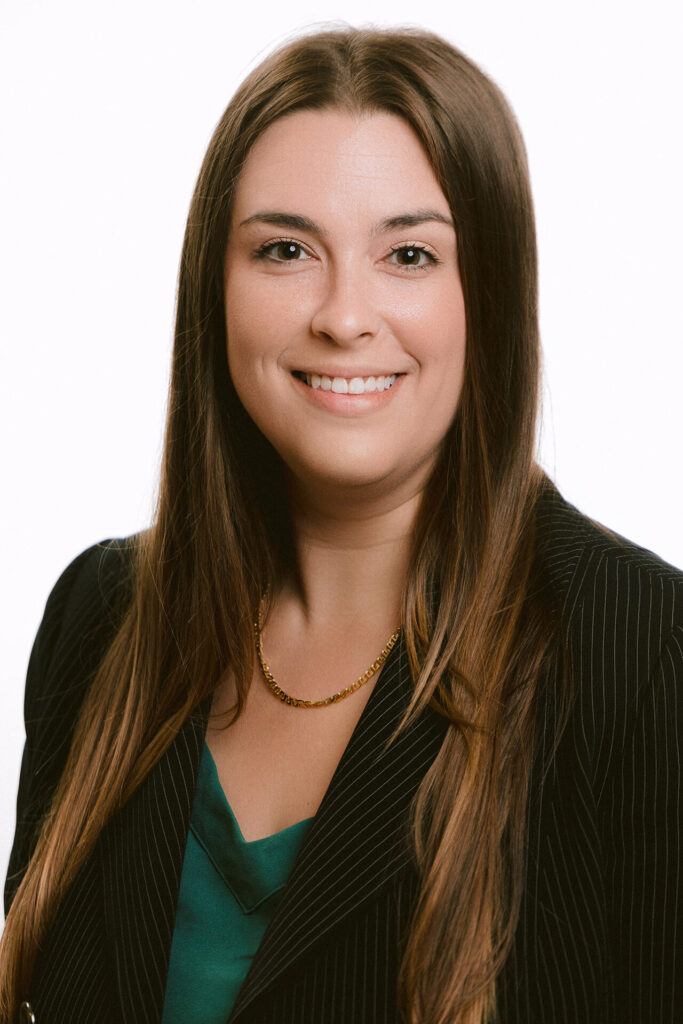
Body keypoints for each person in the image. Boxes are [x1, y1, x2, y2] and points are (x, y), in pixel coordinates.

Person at [2, 23, 681, 1024]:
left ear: (483, 296)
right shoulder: (100, 618)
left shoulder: (641, 651)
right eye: (284, 249)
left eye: (408, 253)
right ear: (213, 293)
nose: (343, 314)